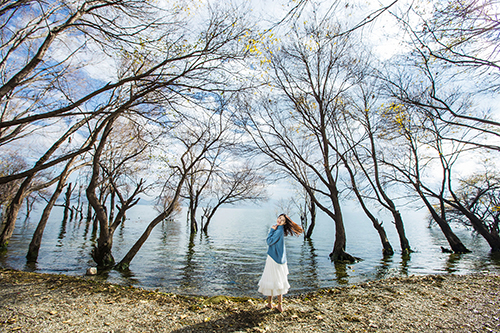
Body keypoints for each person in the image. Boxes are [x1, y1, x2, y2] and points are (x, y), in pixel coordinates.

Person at [258, 213, 303, 312]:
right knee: (278, 281)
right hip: (280, 259)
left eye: (282, 220)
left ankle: (272, 304)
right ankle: (277, 305)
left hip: (273, 259)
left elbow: (269, 242)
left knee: (271, 280)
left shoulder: (278, 230)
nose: (279, 220)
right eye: (279, 218)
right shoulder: (280, 229)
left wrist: (271, 230)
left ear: (285, 222)